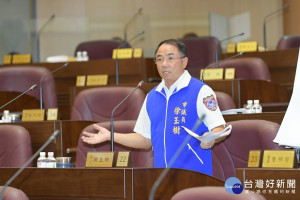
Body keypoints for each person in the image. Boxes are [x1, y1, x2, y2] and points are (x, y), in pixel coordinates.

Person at [82, 39, 228, 175]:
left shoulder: (200, 91)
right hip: (161, 179)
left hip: (194, 176)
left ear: (184, 62)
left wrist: (211, 137)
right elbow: (145, 140)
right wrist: (111, 136)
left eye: (170, 58)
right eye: (159, 59)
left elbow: (219, 128)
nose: (164, 64)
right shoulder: (152, 96)